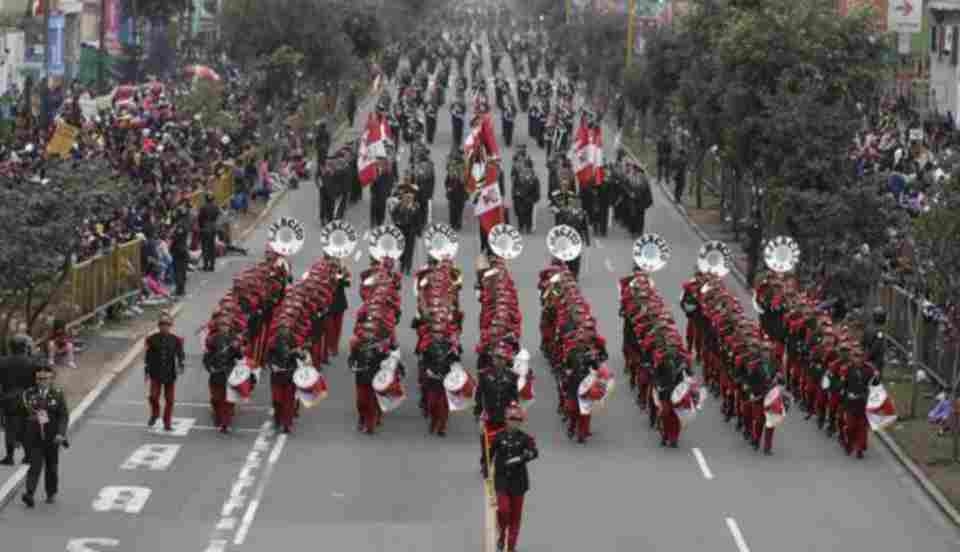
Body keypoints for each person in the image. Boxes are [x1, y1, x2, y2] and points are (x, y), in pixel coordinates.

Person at [19, 361, 68, 507]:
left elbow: (63, 415)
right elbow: (28, 410)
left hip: (52, 438)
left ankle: (51, 492)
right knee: (35, 466)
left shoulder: (57, 394)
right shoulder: (28, 394)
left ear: (51, 379)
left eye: (45, 378)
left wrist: (61, 433)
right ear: (35, 379)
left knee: (51, 467)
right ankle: (29, 493)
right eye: (39, 379)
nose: (42, 382)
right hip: (35, 437)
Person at [489, 407, 538, 552]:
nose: (515, 423)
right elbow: (489, 455)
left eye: (518, 420)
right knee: (503, 510)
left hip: (519, 482)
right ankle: (502, 534)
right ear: (506, 420)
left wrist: (522, 457)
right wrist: (486, 467)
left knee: (515, 517)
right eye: (512, 419)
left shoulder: (525, 438)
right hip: (502, 480)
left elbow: (534, 452)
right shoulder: (498, 437)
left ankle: (511, 547)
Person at [144, 313, 185, 431]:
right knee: (153, 397)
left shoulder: (176, 340)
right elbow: (148, 356)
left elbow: (180, 354)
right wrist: (147, 370)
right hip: (155, 372)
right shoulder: (152, 339)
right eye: (162, 324)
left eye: (167, 324)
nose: (164, 327)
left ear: (170, 326)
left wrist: (181, 364)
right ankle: (155, 413)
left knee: (170, 400)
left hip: (170, 373)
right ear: (159, 326)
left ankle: (167, 422)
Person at [203, 317, 243, 433]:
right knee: (216, 399)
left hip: (229, 373)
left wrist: (237, 348)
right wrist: (209, 368)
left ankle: (225, 423)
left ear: (229, 327)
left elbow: (239, 357)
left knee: (228, 400)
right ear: (218, 326)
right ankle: (218, 416)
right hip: (216, 373)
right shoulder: (212, 339)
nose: (224, 327)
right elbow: (207, 356)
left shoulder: (234, 339)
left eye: (226, 325)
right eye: (222, 325)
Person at [1, 337, 37, 465]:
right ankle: (28, 456)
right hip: (27, 398)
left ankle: (9, 457)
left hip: (9, 399)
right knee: (26, 427)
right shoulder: (32, 362)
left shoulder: (3, 362)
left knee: (10, 427)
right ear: (24, 347)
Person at [198, 192, 220, 272]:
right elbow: (217, 215)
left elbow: (200, 218)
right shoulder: (216, 207)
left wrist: (201, 227)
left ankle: (206, 265)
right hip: (213, 227)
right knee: (212, 247)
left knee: (205, 247)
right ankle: (212, 265)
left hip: (205, 227)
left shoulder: (203, 207)